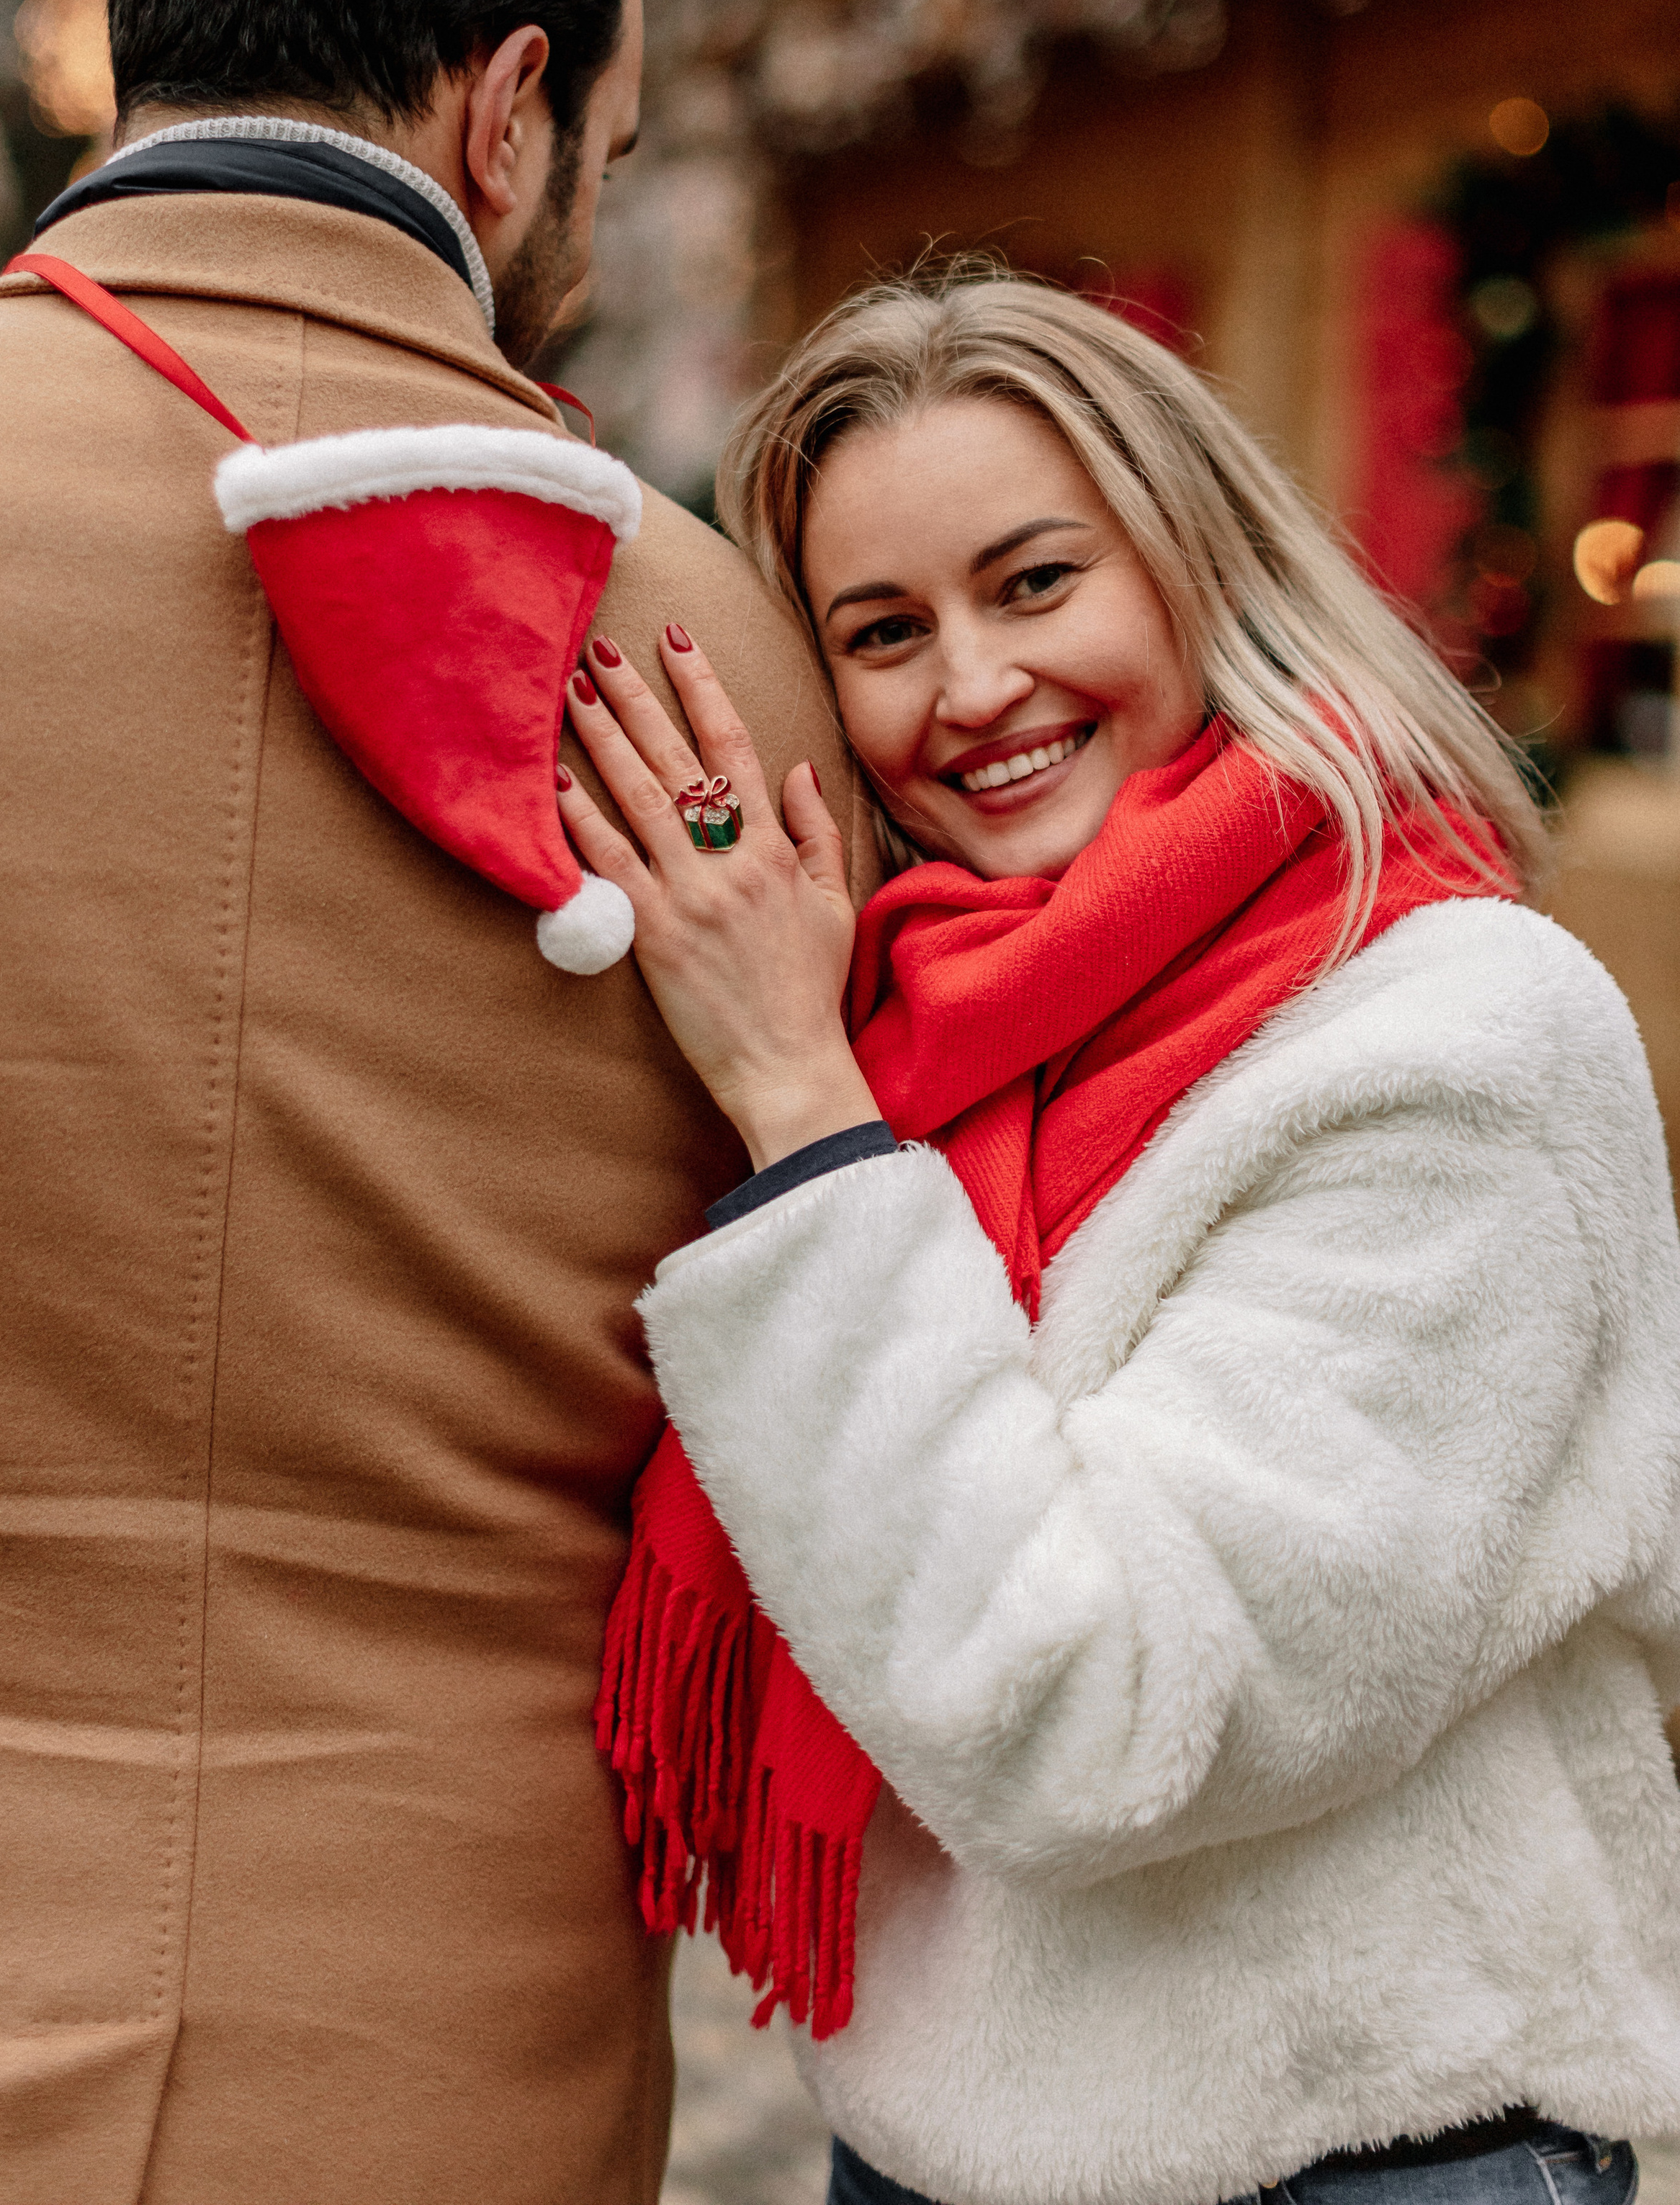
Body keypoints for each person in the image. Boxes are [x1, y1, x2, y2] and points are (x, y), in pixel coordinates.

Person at [0, 0, 868, 2205]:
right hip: (450, 2048)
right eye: (607, 163)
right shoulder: (724, 641)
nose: (592, 233)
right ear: (506, 108)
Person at [562, 269, 1680, 2205]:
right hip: (939, 2153)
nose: (971, 688)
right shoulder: (939, 1029)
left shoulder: (1452, 1039)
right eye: (883, 631)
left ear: (1195, 568)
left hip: (1353, 2162)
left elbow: (1102, 1714)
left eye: (1035, 581)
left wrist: (800, 1113)